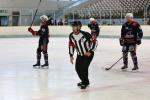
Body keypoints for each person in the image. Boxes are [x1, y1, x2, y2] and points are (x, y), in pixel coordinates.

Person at [69, 21, 98, 89]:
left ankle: (85, 82)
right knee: (77, 69)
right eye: (72, 26)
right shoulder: (71, 35)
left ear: (79, 27)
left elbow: (94, 42)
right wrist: (71, 55)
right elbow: (71, 45)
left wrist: (90, 51)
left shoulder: (85, 34)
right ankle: (84, 81)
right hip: (79, 55)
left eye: (75, 26)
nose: (73, 28)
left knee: (84, 68)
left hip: (88, 55)